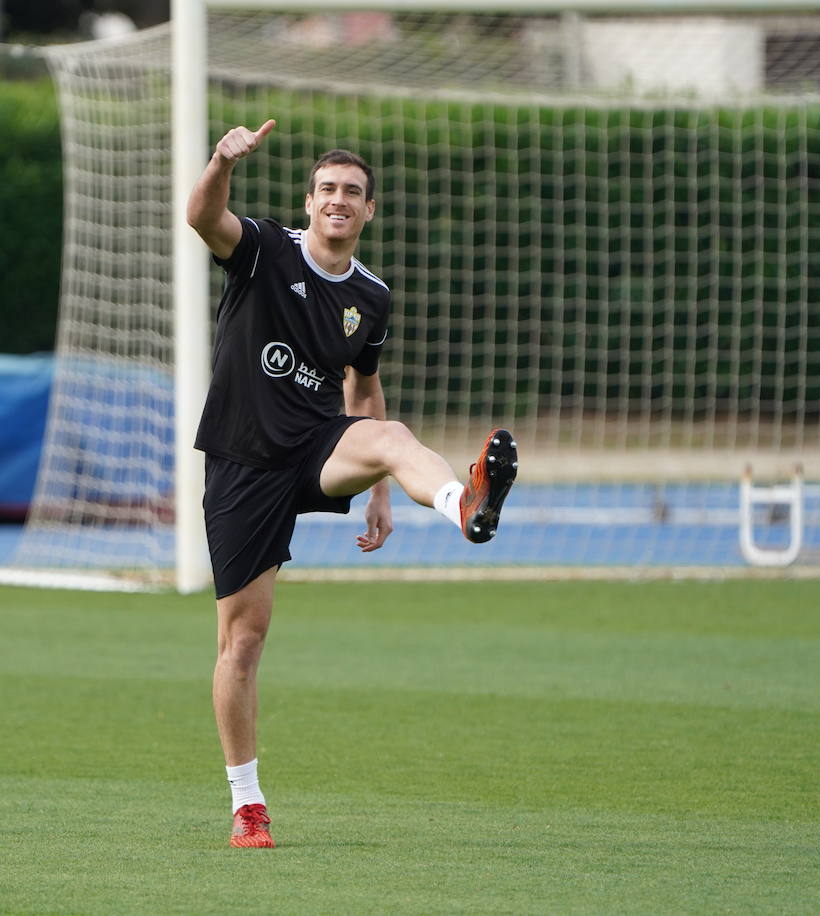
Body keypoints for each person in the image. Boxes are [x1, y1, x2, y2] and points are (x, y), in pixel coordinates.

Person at [186, 118, 519, 849]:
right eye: (328, 189)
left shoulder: (372, 296)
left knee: (393, 436)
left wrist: (379, 489)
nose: (339, 199)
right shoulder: (265, 250)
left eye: (353, 192)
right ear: (309, 202)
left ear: (370, 210)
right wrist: (221, 162)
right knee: (243, 642)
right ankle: (247, 804)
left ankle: (462, 505)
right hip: (243, 462)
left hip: (318, 446)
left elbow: (363, 390)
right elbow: (203, 217)